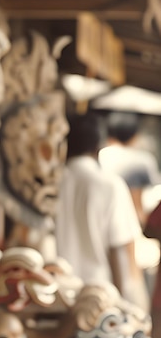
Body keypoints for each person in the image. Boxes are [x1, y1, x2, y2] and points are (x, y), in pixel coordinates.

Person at [54, 109, 149, 310]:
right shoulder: (109, 185)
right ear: (99, 145)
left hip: (56, 296)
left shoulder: (51, 183)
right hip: (99, 300)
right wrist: (123, 305)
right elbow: (120, 250)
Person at [99, 110, 161, 226]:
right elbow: (155, 188)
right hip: (134, 219)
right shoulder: (143, 160)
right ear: (135, 136)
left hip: (102, 217)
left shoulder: (100, 156)